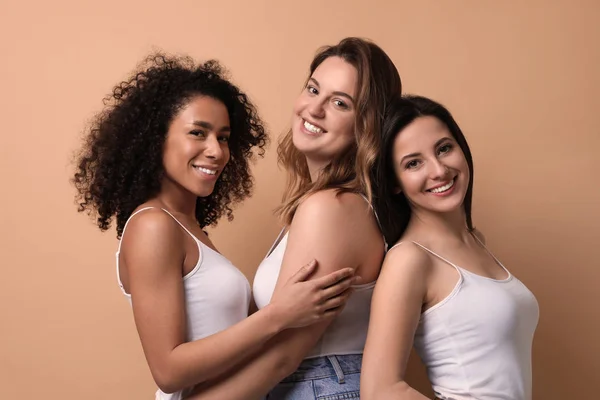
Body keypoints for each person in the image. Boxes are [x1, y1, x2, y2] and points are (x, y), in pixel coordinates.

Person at [72, 53, 358, 400]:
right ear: (154, 138)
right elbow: (168, 370)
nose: (216, 151)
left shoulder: (186, 226)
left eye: (223, 138)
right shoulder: (152, 226)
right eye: (198, 133)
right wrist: (279, 314)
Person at [186, 36, 402, 400]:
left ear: (366, 125)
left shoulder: (331, 208)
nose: (314, 109)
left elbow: (282, 356)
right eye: (313, 89)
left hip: (318, 386)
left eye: (339, 103)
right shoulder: (327, 203)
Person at [361, 95, 539, 400]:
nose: (439, 170)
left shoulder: (476, 241)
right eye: (414, 163)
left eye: (444, 148)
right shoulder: (409, 259)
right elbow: (380, 390)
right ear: (395, 183)